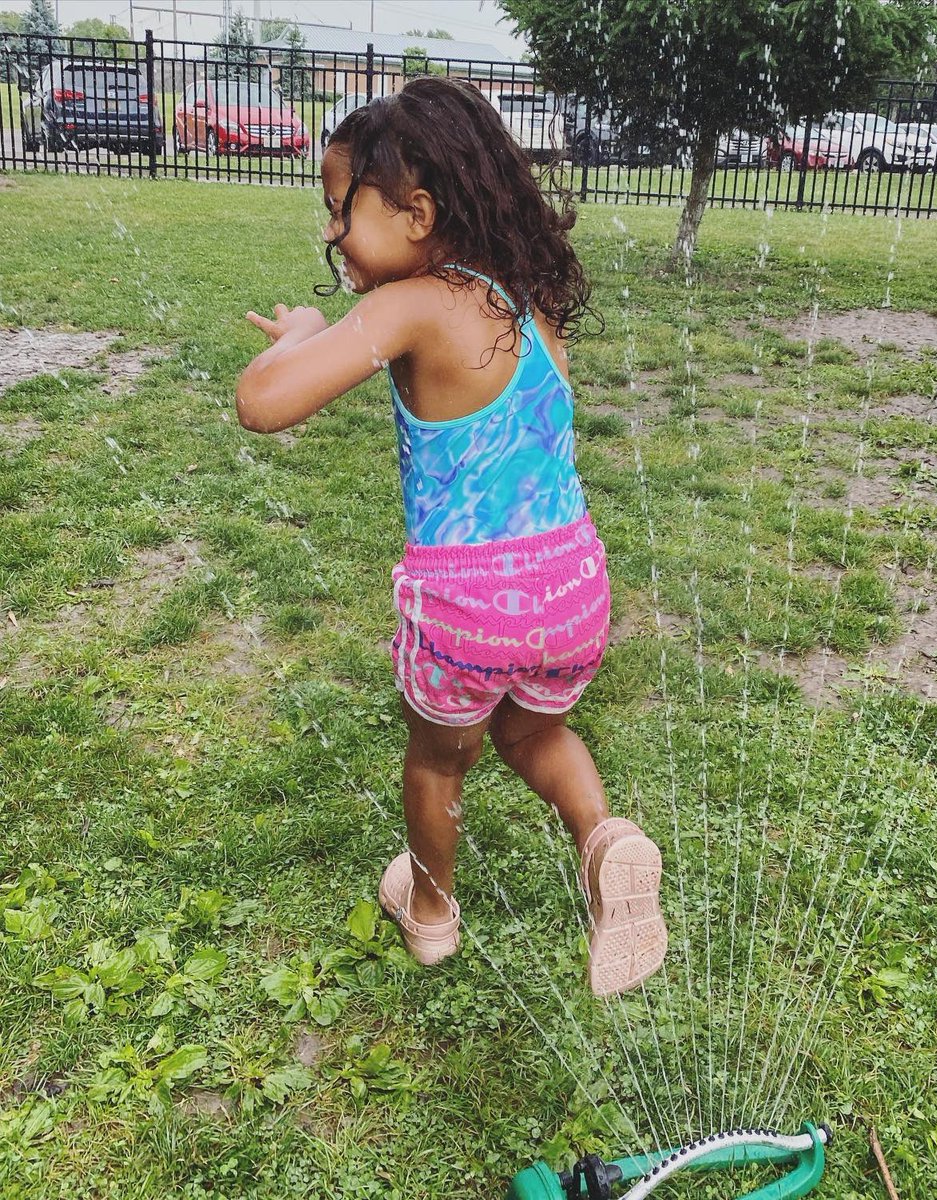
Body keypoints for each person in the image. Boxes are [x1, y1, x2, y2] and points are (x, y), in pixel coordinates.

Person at [235, 77, 666, 996]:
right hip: (572, 585)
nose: (331, 233)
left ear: (418, 212)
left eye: (339, 208)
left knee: (440, 755)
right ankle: (606, 842)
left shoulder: (413, 304)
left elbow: (262, 403)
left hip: (468, 598)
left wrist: (300, 335)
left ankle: (429, 911)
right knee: (534, 732)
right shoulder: (525, 300)